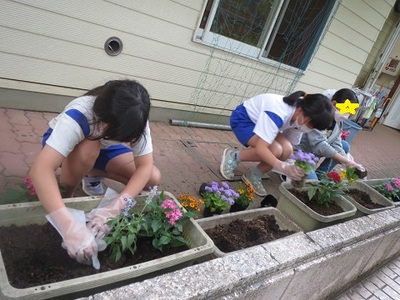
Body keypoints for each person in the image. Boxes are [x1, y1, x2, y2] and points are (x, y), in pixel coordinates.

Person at [29, 79, 161, 267]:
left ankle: (92, 172)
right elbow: (40, 170)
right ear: (104, 121)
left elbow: (145, 167)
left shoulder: (136, 118)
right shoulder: (78, 116)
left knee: (152, 179)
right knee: (87, 149)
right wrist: (68, 226)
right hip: (74, 147)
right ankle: (67, 196)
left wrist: (115, 208)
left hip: (103, 148)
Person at [220, 91, 334, 196]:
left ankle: (254, 174)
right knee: (275, 150)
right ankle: (234, 156)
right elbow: (261, 148)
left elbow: (291, 146)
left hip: (261, 122)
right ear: (300, 111)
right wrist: (282, 167)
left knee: (287, 149)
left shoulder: (301, 117)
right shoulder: (278, 112)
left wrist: (293, 164)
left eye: (313, 127)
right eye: (310, 125)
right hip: (244, 120)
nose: (309, 129)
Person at [292, 88, 363, 180]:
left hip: (312, 156)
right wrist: (344, 160)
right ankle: (290, 172)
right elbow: (319, 145)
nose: (347, 115)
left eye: (350, 112)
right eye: (346, 109)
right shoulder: (320, 115)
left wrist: (348, 161)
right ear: (334, 104)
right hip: (301, 154)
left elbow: (336, 143)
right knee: (312, 182)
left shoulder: (338, 122)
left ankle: (321, 175)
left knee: (344, 146)